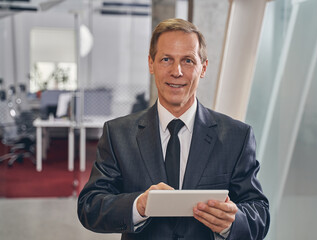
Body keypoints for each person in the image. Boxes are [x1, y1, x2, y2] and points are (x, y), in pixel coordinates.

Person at [77, 18, 270, 240]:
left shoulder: (237, 136)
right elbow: (89, 206)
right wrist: (138, 205)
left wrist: (232, 222)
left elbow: (260, 213)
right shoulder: (117, 134)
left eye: (188, 61)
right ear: (151, 64)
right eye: (166, 59)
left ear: (203, 68)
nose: (176, 71)